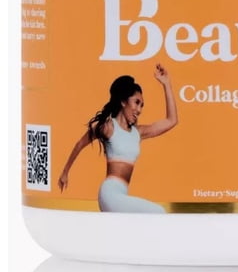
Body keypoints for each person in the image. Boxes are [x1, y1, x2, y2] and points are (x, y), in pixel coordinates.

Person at [57, 64, 178, 213]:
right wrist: (65, 172)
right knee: (158, 211)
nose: (139, 110)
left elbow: (171, 120)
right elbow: (80, 144)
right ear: (123, 101)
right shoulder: (108, 127)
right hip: (110, 193)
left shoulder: (138, 133)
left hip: (122, 194)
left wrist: (166, 84)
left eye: (142, 105)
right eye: (136, 102)